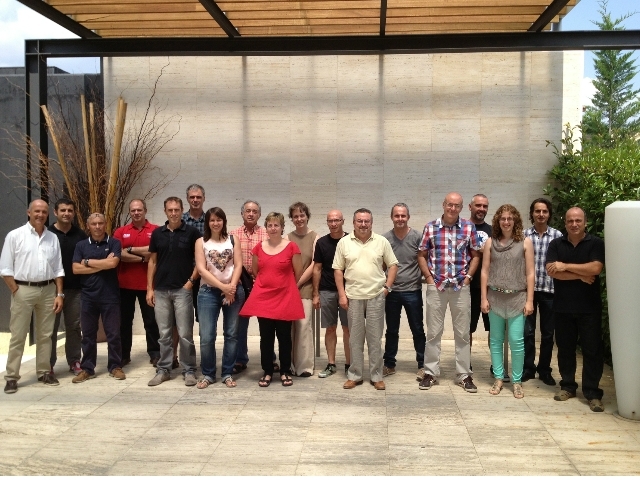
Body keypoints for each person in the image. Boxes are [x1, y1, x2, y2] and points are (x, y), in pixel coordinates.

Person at [417, 192, 481, 393]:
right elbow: (421, 254)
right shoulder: (431, 227)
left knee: (462, 333)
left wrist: (468, 277)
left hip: (461, 287)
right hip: (436, 286)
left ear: (462, 207)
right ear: (443, 204)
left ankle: (464, 375)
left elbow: (475, 255)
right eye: (450, 204)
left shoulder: (469, 227)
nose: (453, 208)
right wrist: (429, 278)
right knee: (433, 332)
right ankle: (430, 373)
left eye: (457, 205)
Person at [1, 199, 64, 393]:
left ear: (48, 214)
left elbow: (58, 269)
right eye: (37, 211)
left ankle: (44, 371)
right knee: (18, 335)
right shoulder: (15, 236)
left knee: (46, 335)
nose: (40, 215)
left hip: (48, 290)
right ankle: (12, 377)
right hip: (23, 289)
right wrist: (15, 290)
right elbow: (5, 268)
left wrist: (59, 294)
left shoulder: (52, 238)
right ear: (29, 213)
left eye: (44, 212)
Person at [546, 207, 605, 413]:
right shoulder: (556, 244)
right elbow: (553, 272)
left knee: (592, 351)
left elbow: (595, 268)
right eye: (570, 221)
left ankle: (592, 393)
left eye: (578, 220)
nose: (574, 224)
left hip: (589, 308)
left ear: (585, 222)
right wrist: (580, 275)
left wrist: (565, 266)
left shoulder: (596, 243)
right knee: (565, 349)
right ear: (565, 223)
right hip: (563, 306)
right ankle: (568, 386)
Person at [333, 208, 398, 391]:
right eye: (359, 221)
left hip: (376, 296)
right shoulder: (344, 242)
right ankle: (355, 375)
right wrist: (342, 295)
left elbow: (393, 265)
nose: (363, 224)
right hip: (353, 297)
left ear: (371, 222)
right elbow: (338, 270)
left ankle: (376, 376)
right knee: (355, 339)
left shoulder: (381, 241)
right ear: (353, 223)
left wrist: (387, 288)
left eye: (366, 221)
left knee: (375, 339)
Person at [239, 212, 303, 387]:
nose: (273, 228)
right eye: (270, 225)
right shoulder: (259, 247)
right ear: (266, 228)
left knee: (284, 337)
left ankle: (284, 371)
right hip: (264, 298)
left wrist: (285, 286)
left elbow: (297, 272)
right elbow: (255, 271)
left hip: (284, 297)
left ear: (282, 227)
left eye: (276, 225)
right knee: (266, 337)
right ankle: (267, 371)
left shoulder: (291, 246)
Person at [480, 205, 534, 399]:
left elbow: (530, 273)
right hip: (495, 298)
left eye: (510, 218)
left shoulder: (525, 242)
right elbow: (485, 271)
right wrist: (484, 298)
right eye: (503, 218)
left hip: (517, 298)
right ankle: (498, 377)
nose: (506, 222)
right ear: (498, 221)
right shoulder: (490, 242)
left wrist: (530, 300)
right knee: (495, 341)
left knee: (517, 341)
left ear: (515, 220)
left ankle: (517, 381)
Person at [146, 197, 201, 387]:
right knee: (164, 334)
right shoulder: (157, 233)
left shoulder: (192, 232)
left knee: (185, 333)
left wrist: (190, 282)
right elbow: (152, 261)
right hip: (161, 290)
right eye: (170, 210)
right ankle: (164, 370)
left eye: (177, 210)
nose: (173, 213)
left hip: (182, 290)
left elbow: (200, 261)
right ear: (165, 211)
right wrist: (149, 288)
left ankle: (189, 370)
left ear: (182, 210)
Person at [71, 213, 126, 383]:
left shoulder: (114, 243)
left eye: (100, 223)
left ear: (105, 224)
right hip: (88, 296)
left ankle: (115, 366)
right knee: (88, 335)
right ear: (88, 226)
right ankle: (87, 368)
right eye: (94, 224)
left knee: (113, 334)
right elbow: (75, 269)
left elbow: (113, 263)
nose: (97, 227)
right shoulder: (81, 245)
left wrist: (87, 262)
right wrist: (102, 264)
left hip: (110, 296)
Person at [195, 207, 244, 388]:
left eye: (219, 219)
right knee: (207, 336)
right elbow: (201, 270)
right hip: (208, 292)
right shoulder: (201, 242)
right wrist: (224, 287)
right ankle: (208, 374)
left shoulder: (233, 239)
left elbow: (238, 265)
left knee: (231, 334)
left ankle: (227, 373)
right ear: (207, 222)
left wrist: (232, 288)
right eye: (212, 220)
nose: (216, 223)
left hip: (233, 290)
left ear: (224, 221)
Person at [113, 199, 160, 367]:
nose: (136, 213)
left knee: (151, 321)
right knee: (124, 322)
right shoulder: (121, 231)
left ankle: (155, 354)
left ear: (145, 210)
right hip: (124, 285)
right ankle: (124, 355)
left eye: (139, 210)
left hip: (149, 285)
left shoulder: (156, 230)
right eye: (133, 210)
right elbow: (118, 254)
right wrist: (143, 258)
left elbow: (156, 251)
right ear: (129, 212)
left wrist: (131, 250)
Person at [382, 203, 426, 381]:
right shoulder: (385, 239)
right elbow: (382, 264)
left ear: (408, 217)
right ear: (392, 217)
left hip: (412, 291)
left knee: (417, 329)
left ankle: (423, 365)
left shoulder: (418, 237)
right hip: (391, 291)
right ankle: (389, 364)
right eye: (397, 216)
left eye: (403, 216)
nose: (400, 219)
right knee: (391, 330)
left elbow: (424, 259)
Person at [523, 198, 562, 385]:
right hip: (527, 291)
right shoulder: (523, 235)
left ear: (549, 214)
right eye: (537, 211)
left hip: (550, 290)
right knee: (527, 332)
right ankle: (528, 368)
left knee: (547, 334)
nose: (541, 214)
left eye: (544, 211)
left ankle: (544, 370)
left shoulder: (557, 235)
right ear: (532, 213)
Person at [229, 200, 272, 374]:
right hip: (240, 284)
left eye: (255, 211)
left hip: (261, 285)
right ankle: (240, 359)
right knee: (240, 324)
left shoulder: (266, 234)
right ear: (242, 213)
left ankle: (270, 359)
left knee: (267, 324)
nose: (251, 214)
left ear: (259, 214)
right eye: (248, 211)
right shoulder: (233, 234)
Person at [48, 198, 87, 376]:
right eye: (63, 210)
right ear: (55, 212)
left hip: (75, 289)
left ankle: (74, 360)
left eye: (70, 210)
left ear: (74, 213)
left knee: (74, 327)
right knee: (50, 328)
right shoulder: (48, 234)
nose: (66, 213)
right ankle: (48, 364)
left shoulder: (80, 235)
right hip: (50, 290)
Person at [313, 209, 351, 378]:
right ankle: (331, 364)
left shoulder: (351, 240)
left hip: (348, 291)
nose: (334, 223)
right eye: (330, 221)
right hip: (327, 290)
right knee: (330, 328)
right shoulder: (321, 243)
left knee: (348, 329)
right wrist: (315, 294)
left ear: (343, 221)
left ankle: (349, 364)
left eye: (337, 220)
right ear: (327, 222)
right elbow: (317, 269)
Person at [467, 194, 497, 377]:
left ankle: (496, 365)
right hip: (467, 287)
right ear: (470, 207)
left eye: (485, 206)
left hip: (490, 288)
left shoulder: (493, 231)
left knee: (494, 329)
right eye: (478, 205)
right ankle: (465, 364)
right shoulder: (462, 228)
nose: (481, 209)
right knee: (466, 329)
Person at [287, 202, 318, 377]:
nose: (299, 219)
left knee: (303, 325)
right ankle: (290, 365)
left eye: (302, 215)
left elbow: (314, 264)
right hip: (287, 288)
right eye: (295, 216)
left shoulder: (315, 237)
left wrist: (297, 283)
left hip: (305, 287)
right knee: (289, 328)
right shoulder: (287, 238)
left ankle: (305, 366)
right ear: (291, 219)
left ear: (307, 216)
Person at [182, 184, 205, 325]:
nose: (195, 200)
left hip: (205, 277)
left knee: (203, 318)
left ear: (204, 198)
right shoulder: (180, 221)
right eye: (192, 197)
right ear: (187, 199)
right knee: (181, 317)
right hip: (183, 274)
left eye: (198, 197)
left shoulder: (211, 221)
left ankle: (205, 341)